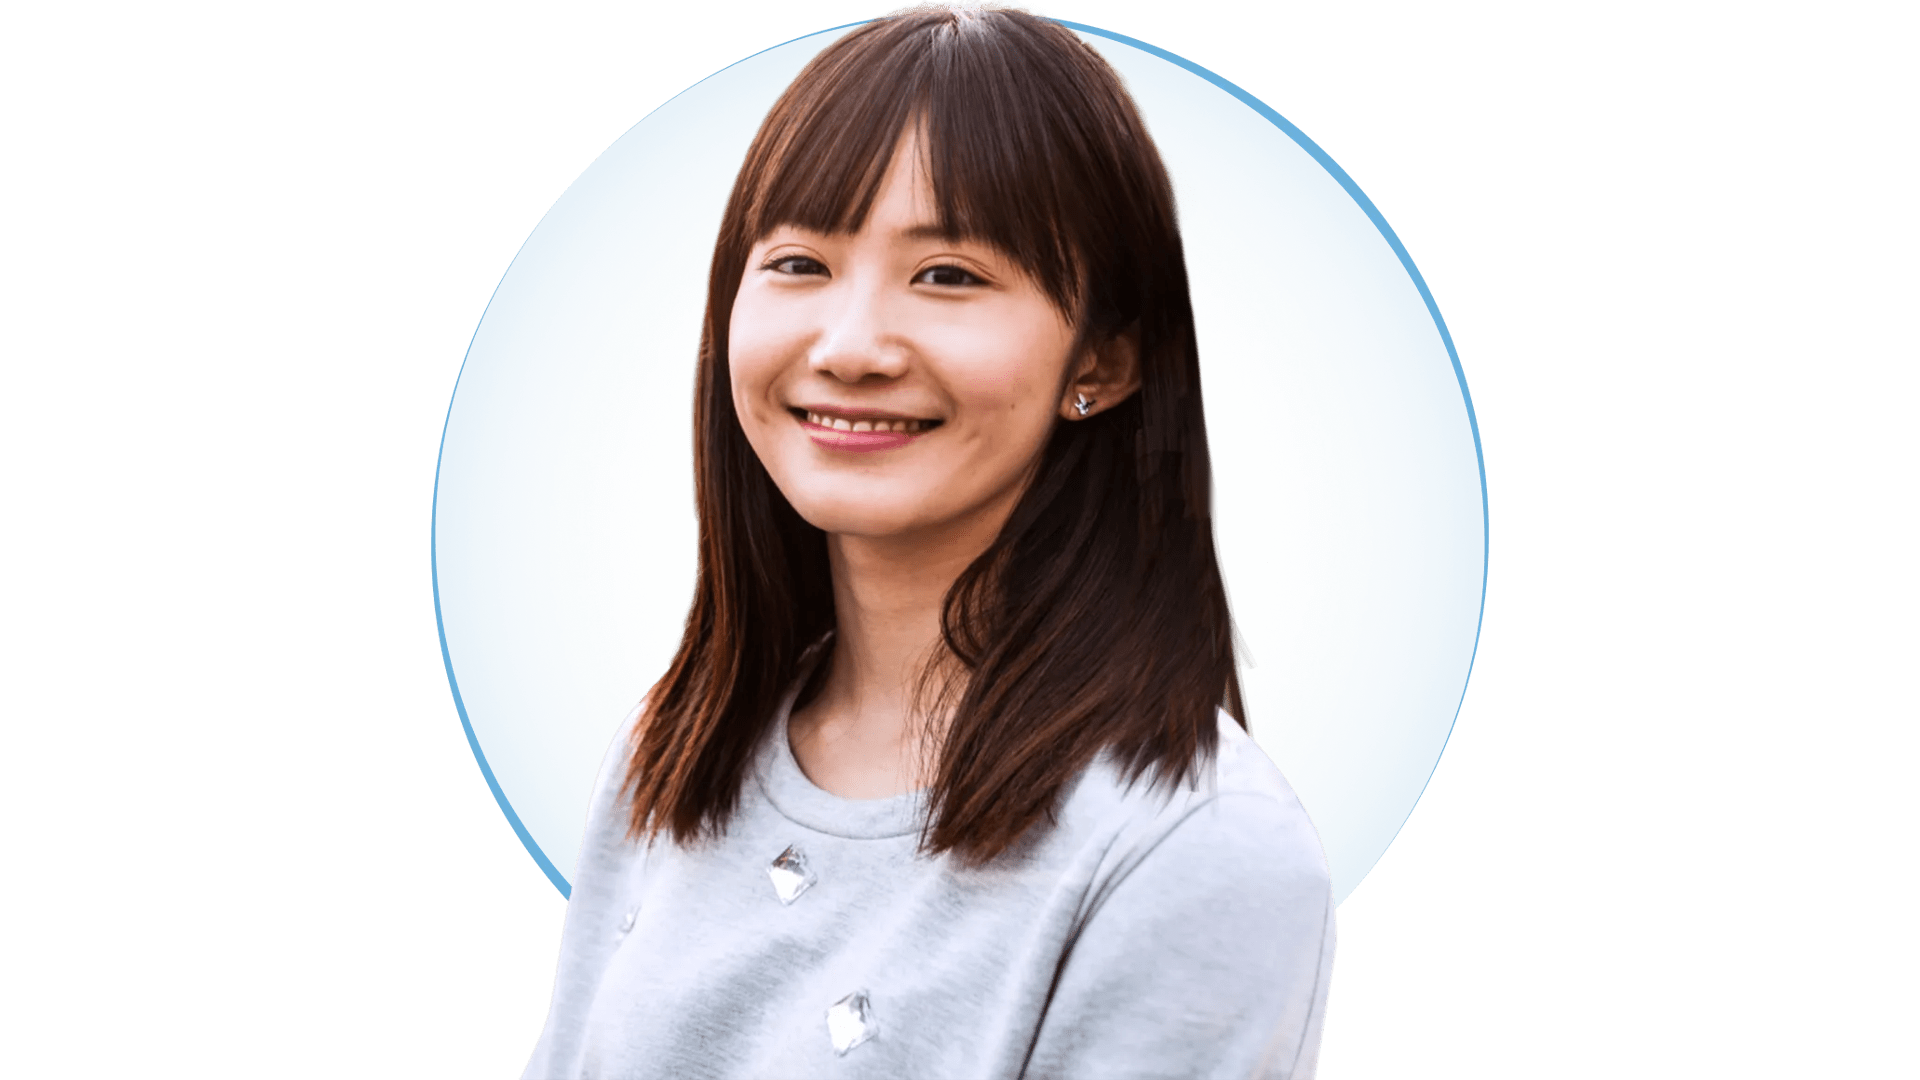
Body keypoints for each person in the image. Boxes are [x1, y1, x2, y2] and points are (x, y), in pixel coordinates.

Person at [521, 3, 1336, 1076]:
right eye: (800, 263)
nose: (850, 345)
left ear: (1104, 363)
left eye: (949, 274)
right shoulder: (669, 753)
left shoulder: (1192, 845)